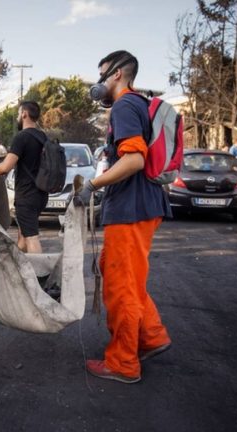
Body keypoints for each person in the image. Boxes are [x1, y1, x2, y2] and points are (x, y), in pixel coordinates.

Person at [79, 50, 172, 384]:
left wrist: (92, 184)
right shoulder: (136, 105)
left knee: (122, 287)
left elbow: (133, 160)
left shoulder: (124, 105)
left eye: (102, 73)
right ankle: (151, 336)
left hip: (132, 209)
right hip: (140, 205)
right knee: (119, 273)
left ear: (118, 74)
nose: (98, 81)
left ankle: (123, 363)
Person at [0, 101, 49, 253]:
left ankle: (38, 275)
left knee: (31, 237)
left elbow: (6, 166)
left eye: (19, 113)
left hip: (26, 195)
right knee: (23, 235)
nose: (18, 117)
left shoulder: (22, 137)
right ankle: (19, 270)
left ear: (24, 113)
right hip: (41, 194)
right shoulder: (42, 137)